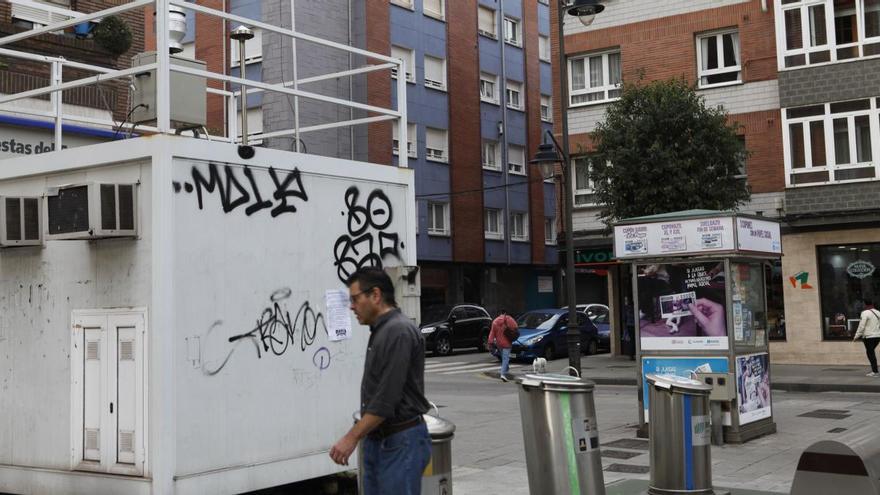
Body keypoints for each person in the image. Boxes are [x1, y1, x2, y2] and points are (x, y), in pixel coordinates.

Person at [329, 267, 431, 494]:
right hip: (382, 440)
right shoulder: (382, 330)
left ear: (375, 295)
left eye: (355, 299)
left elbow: (386, 399)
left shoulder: (398, 331)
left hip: (400, 443)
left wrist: (351, 437)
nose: (351, 306)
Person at [487, 309, 518, 382]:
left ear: (499, 313)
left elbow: (492, 334)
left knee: (504, 358)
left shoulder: (494, 322)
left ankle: (506, 370)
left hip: (499, 344)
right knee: (506, 359)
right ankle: (503, 374)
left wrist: (490, 343)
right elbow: (516, 327)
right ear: (505, 313)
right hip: (507, 343)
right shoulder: (509, 319)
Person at [853, 299, 880, 377]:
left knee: (870, 353)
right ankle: (874, 370)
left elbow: (861, 326)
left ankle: (875, 371)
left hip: (868, 337)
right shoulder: (878, 312)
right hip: (877, 336)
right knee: (870, 352)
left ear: (865, 305)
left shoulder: (864, 313)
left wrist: (856, 336)